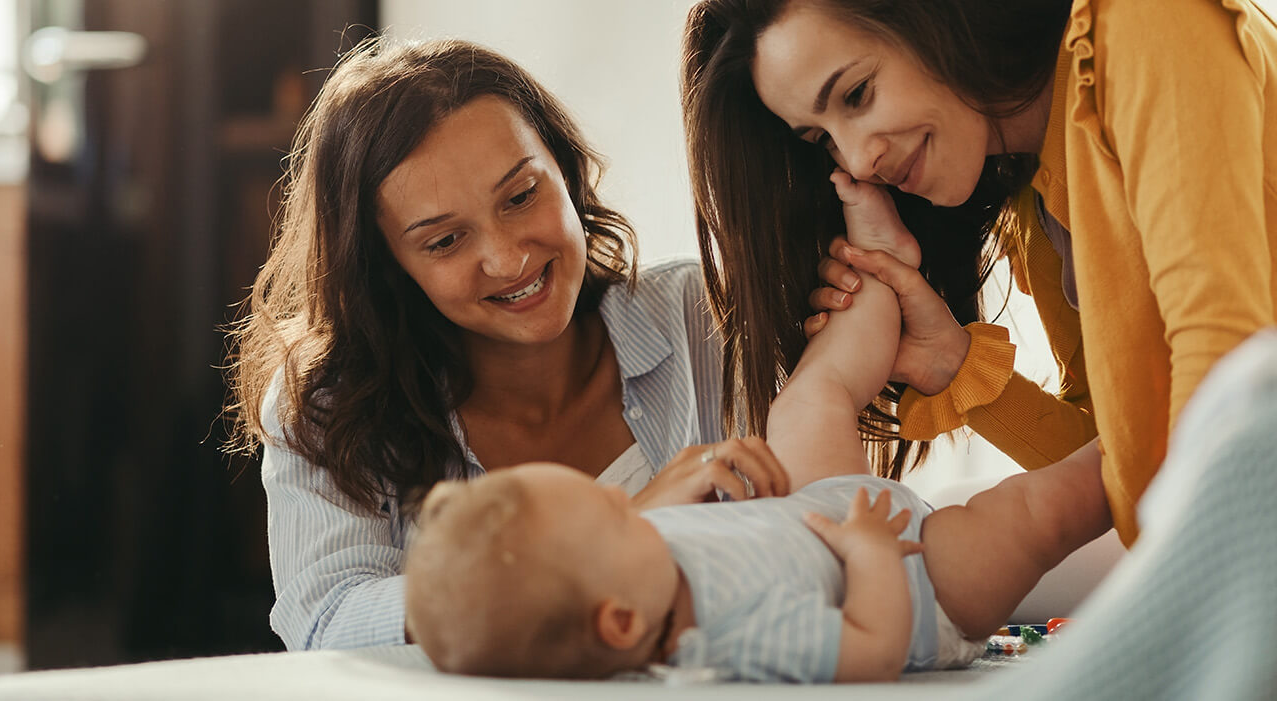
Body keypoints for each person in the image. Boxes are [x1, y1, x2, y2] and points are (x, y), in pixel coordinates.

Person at [404, 176, 1111, 682]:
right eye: (620, 519)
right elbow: (871, 651)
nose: (638, 508)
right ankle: (1153, 440)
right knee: (1034, 511)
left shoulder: (631, 566)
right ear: (622, 622)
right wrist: (869, 555)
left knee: (807, 402)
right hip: (915, 575)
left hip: (815, 508)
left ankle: (881, 264)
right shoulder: (731, 637)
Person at [222, 37, 789, 651]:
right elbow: (329, 625)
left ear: (565, 171)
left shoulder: (703, 316)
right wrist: (623, 530)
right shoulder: (333, 402)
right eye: (444, 241)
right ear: (389, 266)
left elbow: (821, 536)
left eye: (521, 197)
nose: (508, 258)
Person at [681, 0, 1277, 545]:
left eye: (858, 93)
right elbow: (1130, 473)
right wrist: (951, 361)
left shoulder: (1148, 22)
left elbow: (1227, 365)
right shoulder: (1036, 204)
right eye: (823, 141)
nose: (859, 159)